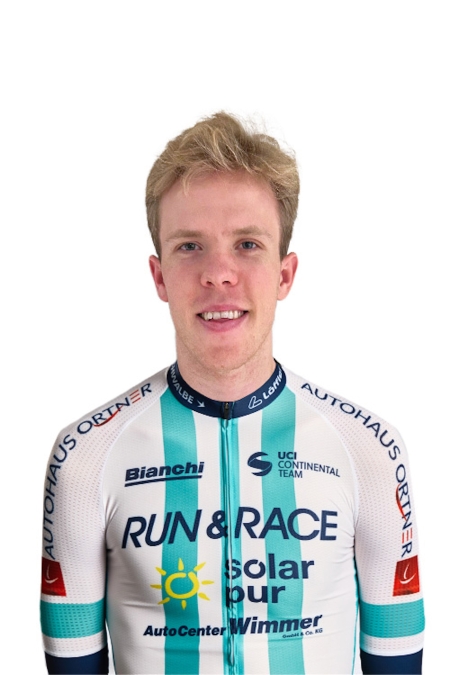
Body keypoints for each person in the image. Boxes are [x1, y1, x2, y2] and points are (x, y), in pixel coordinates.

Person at [41, 112, 424, 674]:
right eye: (190, 246)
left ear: (285, 274)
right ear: (159, 277)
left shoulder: (369, 450)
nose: (219, 274)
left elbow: (397, 655)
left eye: (247, 244)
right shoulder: (85, 456)